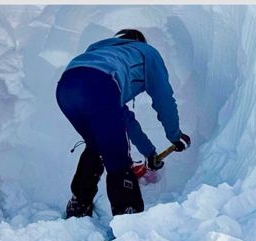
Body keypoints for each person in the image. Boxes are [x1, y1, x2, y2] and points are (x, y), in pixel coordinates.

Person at [57, 29, 191, 218]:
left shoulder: (102, 53)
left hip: (66, 88)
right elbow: (164, 99)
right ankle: (128, 219)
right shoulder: (147, 52)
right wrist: (175, 136)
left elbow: (125, 121)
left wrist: (150, 153)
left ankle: (79, 204)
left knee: (98, 145)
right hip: (100, 85)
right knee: (117, 156)